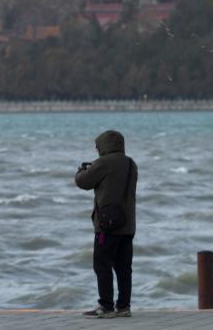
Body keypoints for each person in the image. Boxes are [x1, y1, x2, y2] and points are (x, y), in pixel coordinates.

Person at [75, 130, 138, 319]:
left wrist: (82, 170)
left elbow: (83, 182)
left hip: (107, 226)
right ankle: (124, 306)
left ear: (104, 145)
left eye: (97, 146)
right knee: (124, 268)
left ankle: (106, 306)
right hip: (127, 226)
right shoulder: (130, 163)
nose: (96, 149)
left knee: (102, 265)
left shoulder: (103, 163)